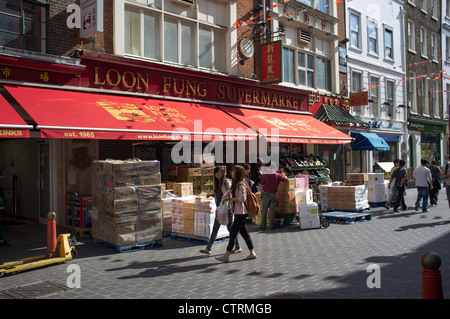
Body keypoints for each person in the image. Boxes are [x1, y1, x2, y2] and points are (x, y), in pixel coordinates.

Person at [216, 165, 256, 263]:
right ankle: (252, 253)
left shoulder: (241, 185)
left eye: (233, 171)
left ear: (237, 172)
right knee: (244, 233)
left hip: (241, 212)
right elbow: (229, 191)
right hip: (238, 212)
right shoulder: (235, 183)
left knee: (233, 233)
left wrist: (229, 198)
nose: (231, 172)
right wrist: (225, 197)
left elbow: (242, 199)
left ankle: (226, 255)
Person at [200, 166, 241, 255]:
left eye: (220, 172)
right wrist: (211, 194)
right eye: (216, 172)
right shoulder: (217, 182)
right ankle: (208, 248)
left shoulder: (226, 182)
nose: (218, 174)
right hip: (220, 209)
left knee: (230, 229)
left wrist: (229, 207)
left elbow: (230, 194)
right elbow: (220, 194)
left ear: (223, 173)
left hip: (226, 209)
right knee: (216, 228)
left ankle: (237, 246)